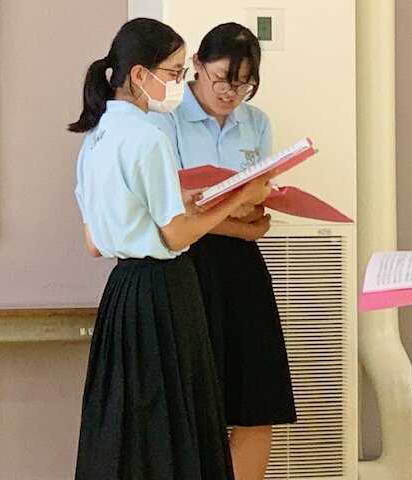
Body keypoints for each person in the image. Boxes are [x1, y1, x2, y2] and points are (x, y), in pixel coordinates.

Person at [69, 17, 271, 480]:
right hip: (163, 289)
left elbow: (94, 244)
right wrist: (238, 197)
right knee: (175, 423)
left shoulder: (95, 139)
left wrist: (183, 202)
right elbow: (176, 235)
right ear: (140, 74)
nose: (179, 83)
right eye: (175, 73)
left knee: (129, 422)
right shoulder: (148, 136)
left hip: (122, 293)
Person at [148, 22, 296, 480]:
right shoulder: (164, 120)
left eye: (243, 84)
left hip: (243, 270)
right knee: (193, 406)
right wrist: (238, 221)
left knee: (256, 402)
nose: (231, 93)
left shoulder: (257, 122)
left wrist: (243, 217)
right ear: (197, 65)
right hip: (186, 266)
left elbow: (259, 206)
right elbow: (171, 214)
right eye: (222, 80)